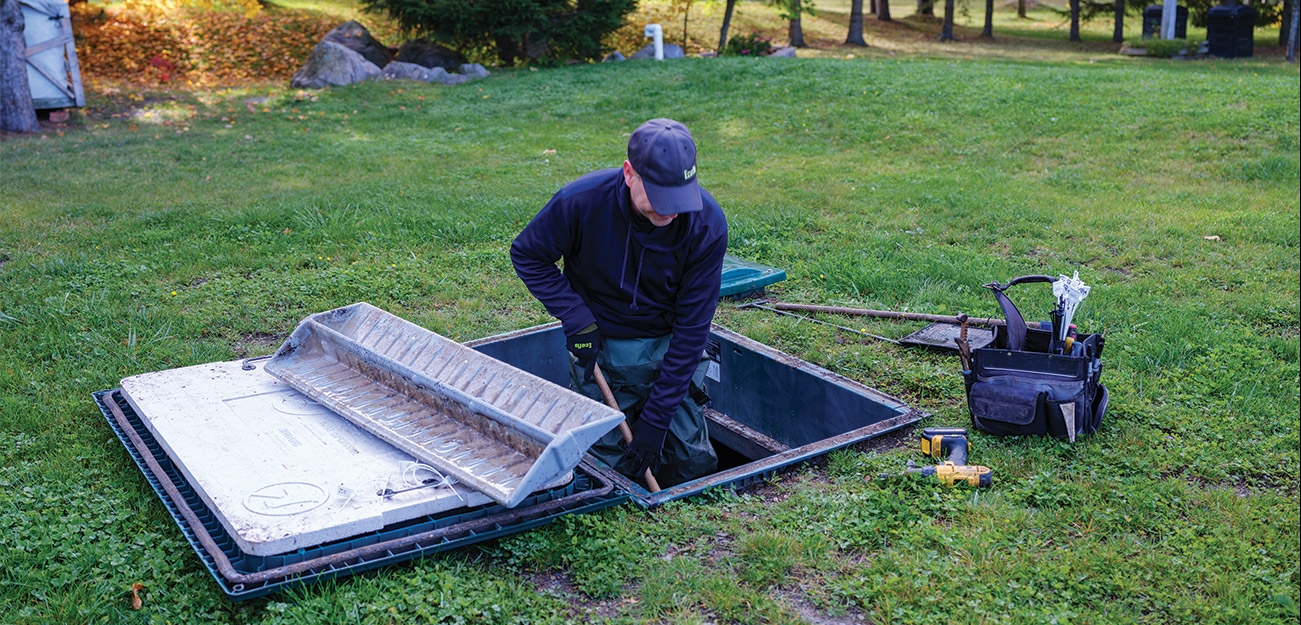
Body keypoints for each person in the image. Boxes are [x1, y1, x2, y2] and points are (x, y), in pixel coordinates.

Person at [510, 118, 728, 488]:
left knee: (690, 462)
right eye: (660, 197)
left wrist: (657, 420)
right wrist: (577, 318)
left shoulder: (705, 224)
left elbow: (693, 330)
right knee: (607, 466)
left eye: (679, 197)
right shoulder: (580, 203)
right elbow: (528, 255)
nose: (671, 211)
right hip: (602, 347)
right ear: (630, 173)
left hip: (667, 347)